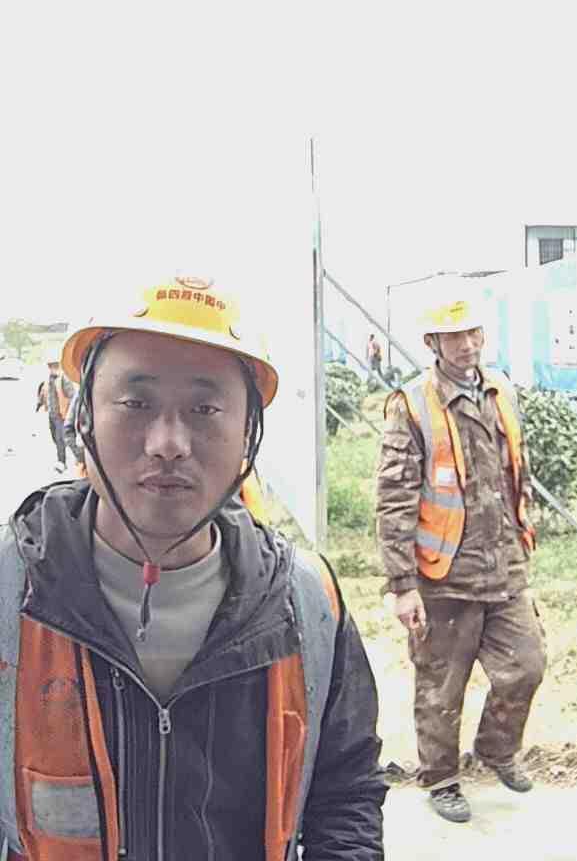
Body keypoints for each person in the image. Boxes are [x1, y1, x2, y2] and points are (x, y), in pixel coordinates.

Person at [0, 273, 386, 860]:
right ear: (84, 417)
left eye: (205, 409)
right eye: (135, 403)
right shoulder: (11, 592)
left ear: (247, 434)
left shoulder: (307, 608)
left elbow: (345, 795)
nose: (168, 443)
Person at [376, 284, 545, 824]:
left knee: (526, 665)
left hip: (504, 565)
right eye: (455, 336)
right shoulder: (412, 405)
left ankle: (496, 749)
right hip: (442, 571)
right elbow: (395, 497)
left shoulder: (500, 390)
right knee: (440, 686)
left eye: (473, 333)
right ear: (433, 342)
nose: (468, 345)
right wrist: (402, 585)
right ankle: (442, 779)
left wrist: (522, 536)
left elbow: (514, 471)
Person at [35, 351, 76, 472]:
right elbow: (43, 393)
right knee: (55, 437)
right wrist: (39, 404)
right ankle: (67, 458)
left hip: (61, 415)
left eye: (54, 365)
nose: (52, 368)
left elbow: (72, 396)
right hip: (52, 415)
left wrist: (70, 413)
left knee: (61, 438)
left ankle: (62, 462)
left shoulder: (64, 379)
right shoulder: (47, 379)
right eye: (50, 365)